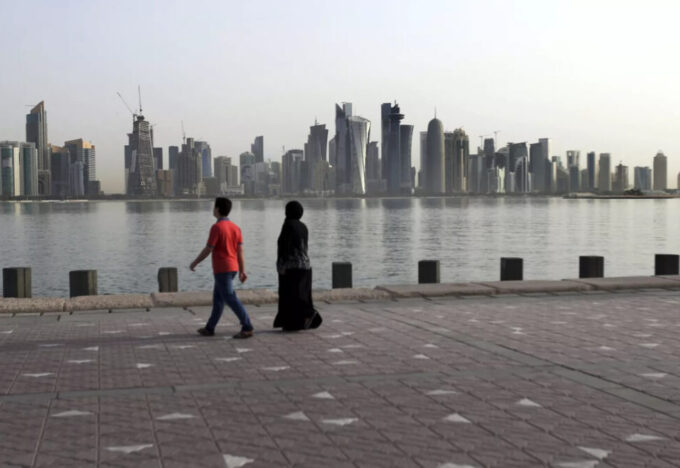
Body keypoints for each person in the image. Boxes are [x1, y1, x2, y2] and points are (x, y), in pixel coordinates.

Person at [190, 197, 254, 339]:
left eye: (214, 207)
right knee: (218, 299)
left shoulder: (217, 227)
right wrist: (242, 271)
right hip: (233, 268)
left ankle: (247, 326)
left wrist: (195, 262)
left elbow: (208, 249)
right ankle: (210, 328)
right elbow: (240, 252)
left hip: (222, 269)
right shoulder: (236, 228)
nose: (213, 209)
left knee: (230, 298)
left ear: (218, 209)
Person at [273, 200, 322, 331]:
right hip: (305, 265)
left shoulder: (288, 225)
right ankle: (296, 323)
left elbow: (284, 246)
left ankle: (306, 315)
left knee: (289, 295)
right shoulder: (303, 226)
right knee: (301, 294)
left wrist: (280, 266)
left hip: (291, 266)